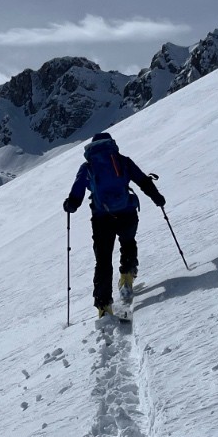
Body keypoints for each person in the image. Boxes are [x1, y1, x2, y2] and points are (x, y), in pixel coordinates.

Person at [63, 131, 165, 318]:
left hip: (101, 219)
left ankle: (103, 306)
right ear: (112, 144)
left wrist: (70, 205)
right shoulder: (122, 160)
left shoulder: (87, 167)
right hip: (127, 212)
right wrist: (157, 198)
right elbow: (142, 180)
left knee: (103, 260)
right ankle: (127, 277)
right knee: (128, 242)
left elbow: (76, 194)